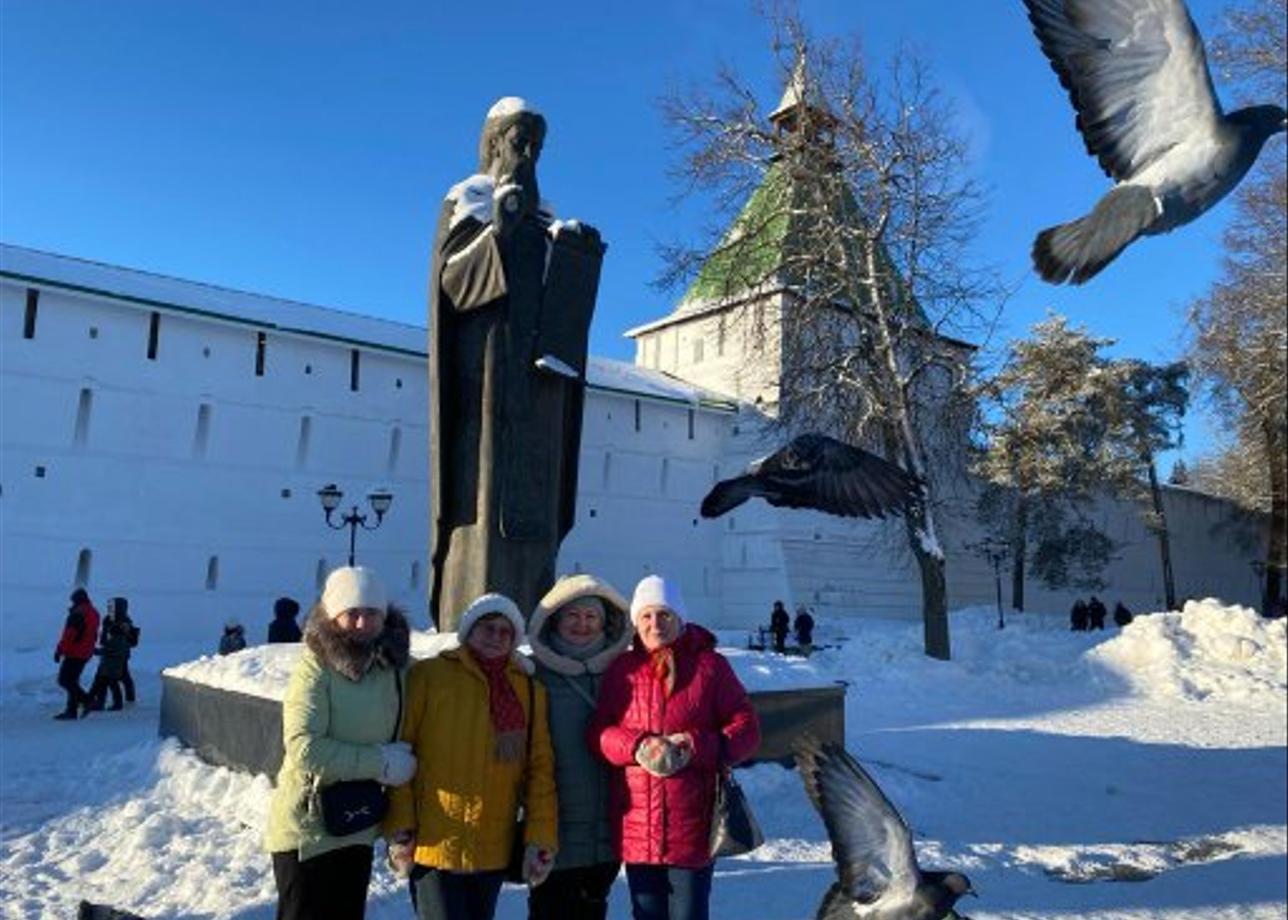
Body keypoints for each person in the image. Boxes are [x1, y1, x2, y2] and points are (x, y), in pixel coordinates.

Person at [428, 96, 604, 633]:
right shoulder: (471, 198)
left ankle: (534, 612)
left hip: (541, 386)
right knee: (486, 499)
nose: (527, 153)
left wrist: (577, 257)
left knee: (537, 502)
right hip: (486, 382)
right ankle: (474, 617)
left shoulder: (546, 214)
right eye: (518, 141)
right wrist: (499, 234)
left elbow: (559, 299)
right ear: (494, 141)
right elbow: (453, 285)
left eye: (536, 145)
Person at [591, 575, 761, 920]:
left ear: (680, 618)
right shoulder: (623, 670)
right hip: (639, 827)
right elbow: (599, 732)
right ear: (636, 622)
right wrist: (636, 745)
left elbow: (747, 731)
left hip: (694, 829)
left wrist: (695, 745)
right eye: (647, 616)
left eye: (665, 615)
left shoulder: (710, 667)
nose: (656, 624)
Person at [387, 593, 557, 920]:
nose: (495, 637)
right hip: (433, 844)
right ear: (468, 630)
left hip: (492, 848)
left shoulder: (528, 691)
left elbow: (539, 770)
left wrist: (540, 837)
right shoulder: (429, 677)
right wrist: (401, 827)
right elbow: (402, 753)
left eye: (505, 631)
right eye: (487, 627)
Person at [265, 565, 414, 920]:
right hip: (308, 829)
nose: (363, 623)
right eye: (352, 614)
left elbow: (445, 680)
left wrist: (510, 662)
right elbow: (304, 748)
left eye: (372, 613)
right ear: (333, 616)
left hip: (356, 823)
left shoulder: (393, 668)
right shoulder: (316, 668)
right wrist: (380, 763)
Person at [527, 575, 633, 920]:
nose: (582, 625)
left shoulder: (624, 673)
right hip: (554, 831)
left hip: (607, 834)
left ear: (606, 622)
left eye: (591, 617)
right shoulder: (532, 674)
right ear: (554, 618)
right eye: (572, 615)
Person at [54, 588, 100, 720]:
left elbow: (70, 634)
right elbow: (93, 634)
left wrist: (60, 650)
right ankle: (71, 711)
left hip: (74, 652)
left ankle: (88, 701)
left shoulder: (78, 613)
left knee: (64, 680)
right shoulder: (94, 613)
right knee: (73, 681)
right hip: (85, 653)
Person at [87, 600, 131, 712]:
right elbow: (107, 641)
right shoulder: (111, 620)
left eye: (112, 607)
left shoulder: (122, 624)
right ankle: (98, 703)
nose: (110, 609)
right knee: (103, 681)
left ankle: (116, 703)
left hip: (114, 659)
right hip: (111, 659)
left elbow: (115, 646)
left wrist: (99, 651)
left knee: (111, 681)